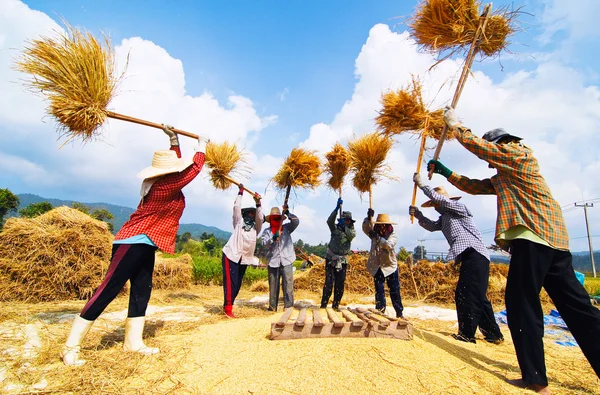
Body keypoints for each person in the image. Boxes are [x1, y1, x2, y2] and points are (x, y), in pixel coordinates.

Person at [428, 107, 600, 394]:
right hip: (553, 241)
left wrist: (457, 126)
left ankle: (534, 378)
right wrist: (446, 172)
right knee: (578, 307)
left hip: (533, 236)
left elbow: (482, 150)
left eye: (493, 158)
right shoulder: (509, 174)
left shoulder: (518, 153)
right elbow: (475, 186)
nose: (492, 166)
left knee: (521, 303)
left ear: (501, 144)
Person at [60, 125, 208, 366]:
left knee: (142, 291)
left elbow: (180, 166)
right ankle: (70, 347)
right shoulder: (164, 185)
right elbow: (193, 169)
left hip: (146, 243)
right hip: (132, 242)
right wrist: (202, 145)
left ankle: (133, 343)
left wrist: (174, 140)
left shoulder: (162, 180)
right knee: (108, 290)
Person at [409, 173, 503, 344]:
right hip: (469, 257)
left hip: (476, 254)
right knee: (477, 295)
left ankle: (466, 334)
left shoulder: (459, 208)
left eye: (436, 202)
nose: (436, 206)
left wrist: (422, 185)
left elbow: (444, 201)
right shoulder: (444, 218)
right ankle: (493, 334)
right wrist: (419, 215)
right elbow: (431, 227)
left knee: (466, 293)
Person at [221, 184, 263, 318]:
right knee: (230, 282)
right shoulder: (238, 223)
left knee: (237, 284)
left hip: (244, 259)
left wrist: (258, 203)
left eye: (253, 214)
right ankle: (228, 308)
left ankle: (229, 305)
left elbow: (260, 218)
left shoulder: (256, 228)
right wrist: (240, 193)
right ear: (245, 215)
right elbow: (236, 208)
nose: (251, 215)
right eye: (249, 213)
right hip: (231, 255)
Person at [362, 209, 404, 318]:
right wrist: (368, 218)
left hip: (390, 266)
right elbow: (365, 228)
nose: (382, 227)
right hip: (377, 266)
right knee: (379, 291)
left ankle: (399, 313)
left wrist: (378, 238)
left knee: (394, 290)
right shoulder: (374, 232)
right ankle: (380, 311)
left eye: (383, 225)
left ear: (387, 225)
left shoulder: (392, 234)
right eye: (379, 225)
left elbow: (389, 245)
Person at [259, 204, 299, 311]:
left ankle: (288, 307)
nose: (276, 220)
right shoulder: (267, 232)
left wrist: (287, 213)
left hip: (287, 259)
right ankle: (272, 307)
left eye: (278, 218)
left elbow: (296, 222)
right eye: (274, 218)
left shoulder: (286, 228)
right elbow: (264, 243)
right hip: (273, 261)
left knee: (288, 284)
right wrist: (273, 238)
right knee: (273, 285)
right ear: (270, 220)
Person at [320, 198, 356, 310]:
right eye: (345, 220)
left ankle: (336, 305)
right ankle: (324, 304)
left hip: (343, 261)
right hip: (331, 259)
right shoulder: (335, 229)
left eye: (348, 221)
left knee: (340, 284)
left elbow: (351, 236)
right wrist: (336, 209)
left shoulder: (351, 230)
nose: (347, 222)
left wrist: (344, 227)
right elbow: (329, 221)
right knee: (329, 283)